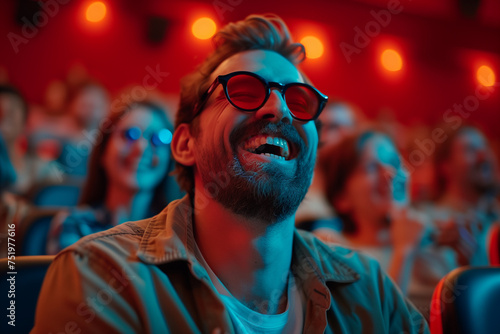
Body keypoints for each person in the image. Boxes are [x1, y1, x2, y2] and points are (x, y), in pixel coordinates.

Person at [32, 14, 428, 333]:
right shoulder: (103, 279)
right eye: (244, 90)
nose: (279, 109)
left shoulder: (369, 291)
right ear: (185, 144)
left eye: (299, 100)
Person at [46, 100, 182, 254]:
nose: (141, 148)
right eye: (129, 134)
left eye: (157, 139)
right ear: (103, 151)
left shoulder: (178, 233)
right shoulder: (75, 225)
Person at [316, 129, 431, 294]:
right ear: (342, 198)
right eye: (370, 167)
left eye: (394, 163)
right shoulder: (332, 247)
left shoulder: (430, 243)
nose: (390, 173)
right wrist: (404, 252)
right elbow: (379, 319)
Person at [295, 100, 361, 236]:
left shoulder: (365, 191)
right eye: (333, 127)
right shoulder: (297, 200)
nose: (346, 135)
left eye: (350, 127)